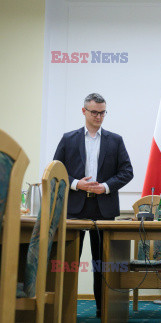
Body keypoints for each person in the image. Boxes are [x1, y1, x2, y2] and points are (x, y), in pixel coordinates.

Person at [53, 93, 133, 318]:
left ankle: (102, 308)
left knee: (103, 263)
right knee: (69, 262)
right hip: (74, 210)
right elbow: (55, 173)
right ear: (84, 111)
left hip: (103, 209)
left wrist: (105, 186)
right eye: (94, 112)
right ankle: (65, 307)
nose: (99, 116)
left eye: (102, 112)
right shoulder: (68, 139)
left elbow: (127, 172)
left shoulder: (115, 140)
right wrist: (78, 184)